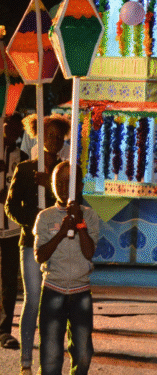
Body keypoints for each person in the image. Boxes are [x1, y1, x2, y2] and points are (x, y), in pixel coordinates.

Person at [5, 114, 70, 374]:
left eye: (58, 136)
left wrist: (51, 186)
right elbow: (10, 207)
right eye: (49, 135)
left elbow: (73, 203)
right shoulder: (25, 169)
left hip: (59, 243)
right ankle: (25, 363)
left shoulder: (66, 171)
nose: (54, 140)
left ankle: (49, 361)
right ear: (39, 136)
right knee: (32, 299)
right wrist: (32, 222)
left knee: (54, 302)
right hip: (30, 243)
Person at [34, 161, 99, 375]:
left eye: (69, 183)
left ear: (79, 186)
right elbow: (40, 255)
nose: (63, 188)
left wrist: (80, 224)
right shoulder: (45, 217)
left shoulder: (89, 216)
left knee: (83, 352)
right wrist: (61, 232)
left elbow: (89, 252)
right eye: (58, 183)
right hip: (53, 290)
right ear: (51, 185)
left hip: (81, 292)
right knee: (51, 353)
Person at [0, 114, 27, 350]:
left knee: (9, 281)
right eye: (11, 128)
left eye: (19, 130)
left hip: (11, 229)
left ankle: (4, 330)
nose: (14, 133)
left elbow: (25, 195)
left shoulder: (23, 159)